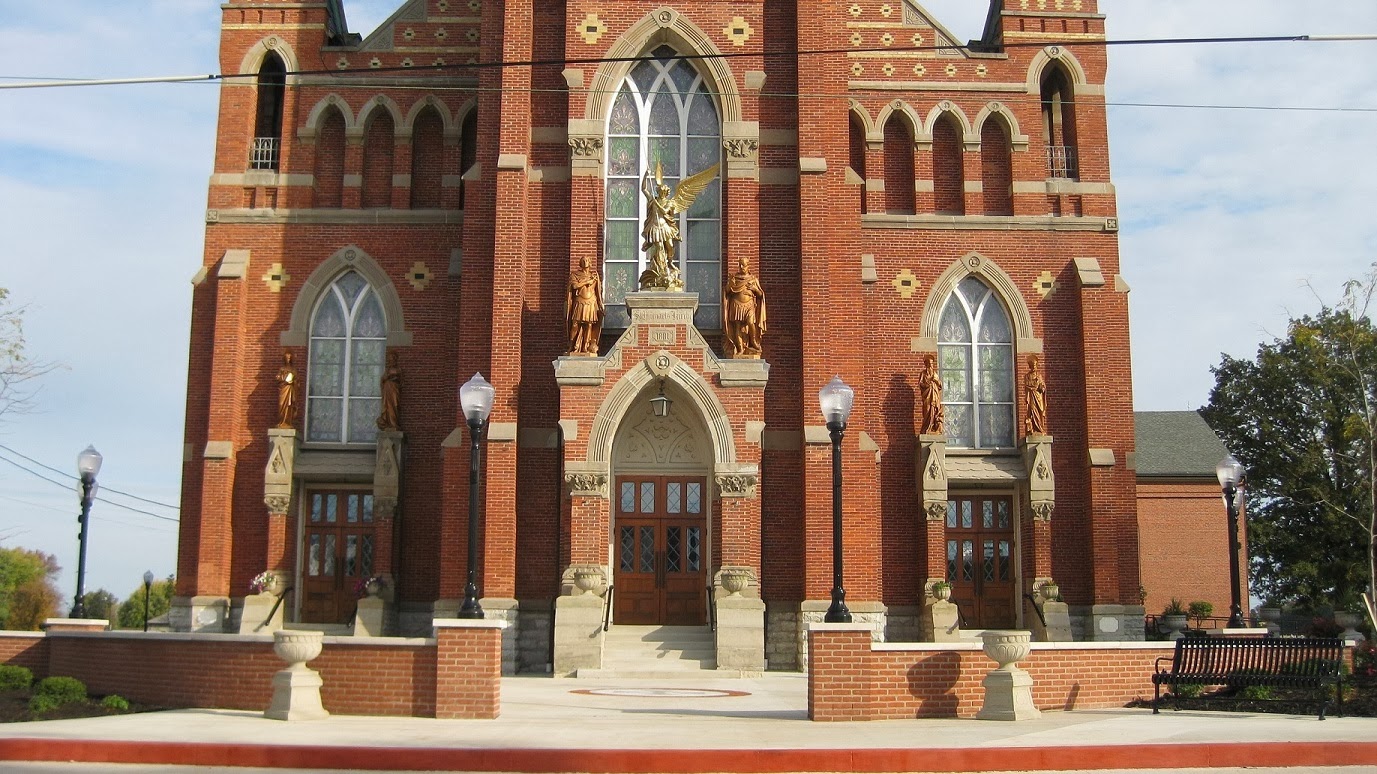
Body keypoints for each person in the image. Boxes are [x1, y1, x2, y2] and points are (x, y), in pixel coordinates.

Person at [639, 162, 718, 290]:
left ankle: (670, 263)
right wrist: (645, 176)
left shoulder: (669, 202)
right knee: (659, 248)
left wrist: (656, 204)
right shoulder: (653, 199)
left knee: (669, 246)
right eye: (660, 191)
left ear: (666, 193)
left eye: (663, 191)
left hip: (665, 227)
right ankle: (661, 270)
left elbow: (665, 212)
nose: (661, 193)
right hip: (655, 227)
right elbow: (644, 189)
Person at [724, 256, 767, 358]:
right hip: (736, 304)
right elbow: (727, 292)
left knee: (751, 322)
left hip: (749, 305)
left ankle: (753, 341)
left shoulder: (753, 279)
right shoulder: (734, 279)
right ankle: (740, 349)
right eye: (740, 265)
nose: (741, 267)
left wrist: (754, 289)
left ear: (748, 266)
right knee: (737, 326)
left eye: (744, 265)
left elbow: (760, 295)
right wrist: (730, 285)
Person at [566, 256, 604, 356]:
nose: (585, 262)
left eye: (587, 260)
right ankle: (573, 345)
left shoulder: (594, 275)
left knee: (589, 325)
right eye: (583, 260)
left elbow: (598, 292)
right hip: (580, 301)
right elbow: (574, 286)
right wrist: (587, 281)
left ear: (590, 263)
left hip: (591, 302)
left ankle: (585, 346)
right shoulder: (575, 275)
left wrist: (600, 305)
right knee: (575, 324)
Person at [918, 354, 945, 435]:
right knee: (927, 411)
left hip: (934, 394)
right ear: (926, 364)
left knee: (934, 410)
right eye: (929, 363)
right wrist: (927, 384)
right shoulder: (923, 373)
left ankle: (933, 427)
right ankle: (926, 428)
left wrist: (935, 381)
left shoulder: (934, 373)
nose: (930, 365)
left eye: (932, 363)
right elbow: (920, 384)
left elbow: (940, 384)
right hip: (927, 396)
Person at [377, 351, 401, 430]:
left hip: (394, 390)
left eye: (393, 360)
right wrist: (386, 378)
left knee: (394, 405)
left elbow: (401, 382)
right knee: (387, 406)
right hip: (387, 390)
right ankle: (388, 422)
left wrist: (395, 379)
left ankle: (394, 423)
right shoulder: (387, 371)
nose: (391, 362)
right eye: (390, 360)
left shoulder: (398, 370)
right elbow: (382, 380)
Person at [1025, 354, 1048, 435]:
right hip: (1032, 395)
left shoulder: (1039, 375)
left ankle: (1040, 428)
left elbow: (1042, 386)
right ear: (1030, 366)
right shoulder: (1027, 376)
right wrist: (1034, 384)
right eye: (1032, 365)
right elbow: (1027, 384)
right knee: (1033, 410)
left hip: (1039, 396)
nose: (1034, 367)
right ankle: (1035, 428)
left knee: (1041, 410)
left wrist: (1042, 386)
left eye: (1035, 365)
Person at [275, 351, 298, 429]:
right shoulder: (282, 369)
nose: (288, 359)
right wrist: (284, 379)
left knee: (290, 405)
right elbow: (277, 377)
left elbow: (297, 380)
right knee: (281, 404)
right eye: (286, 358)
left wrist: (293, 381)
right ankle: (282, 421)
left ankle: (288, 422)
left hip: (290, 388)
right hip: (283, 388)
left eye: (289, 358)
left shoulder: (293, 369)